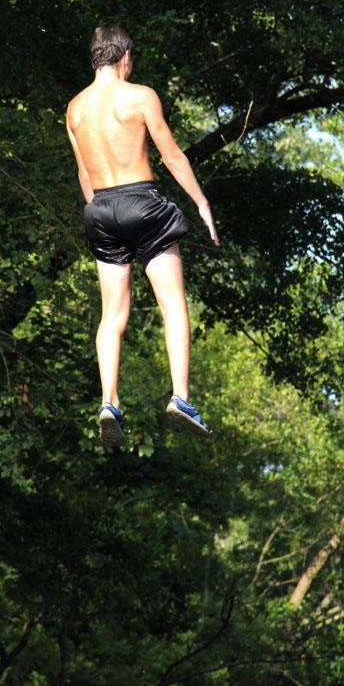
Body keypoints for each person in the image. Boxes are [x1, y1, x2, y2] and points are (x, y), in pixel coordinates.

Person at [66, 25, 220, 447]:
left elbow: (84, 175)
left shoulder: (74, 109)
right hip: (141, 203)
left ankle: (108, 402)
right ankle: (181, 397)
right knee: (173, 303)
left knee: (112, 316)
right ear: (125, 56)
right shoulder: (140, 96)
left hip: (99, 208)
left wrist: (103, 216)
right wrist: (201, 201)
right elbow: (171, 155)